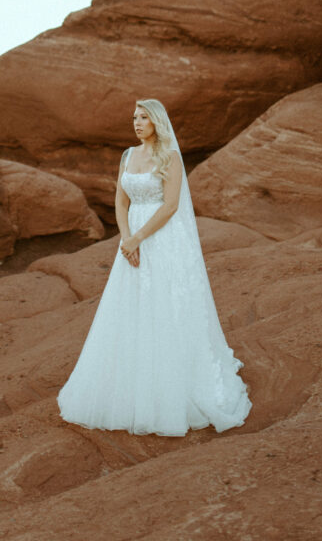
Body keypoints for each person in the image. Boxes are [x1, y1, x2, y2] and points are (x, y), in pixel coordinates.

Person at [57, 97, 252, 436]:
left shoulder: (170, 157)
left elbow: (171, 205)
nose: (137, 123)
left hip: (162, 238)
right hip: (132, 237)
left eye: (143, 117)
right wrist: (126, 238)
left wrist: (140, 238)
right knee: (129, 305)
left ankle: (172, 383)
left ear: (156, 121)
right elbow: (120, 200)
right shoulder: (128, 156)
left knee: (164, 303)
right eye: (134, 117)